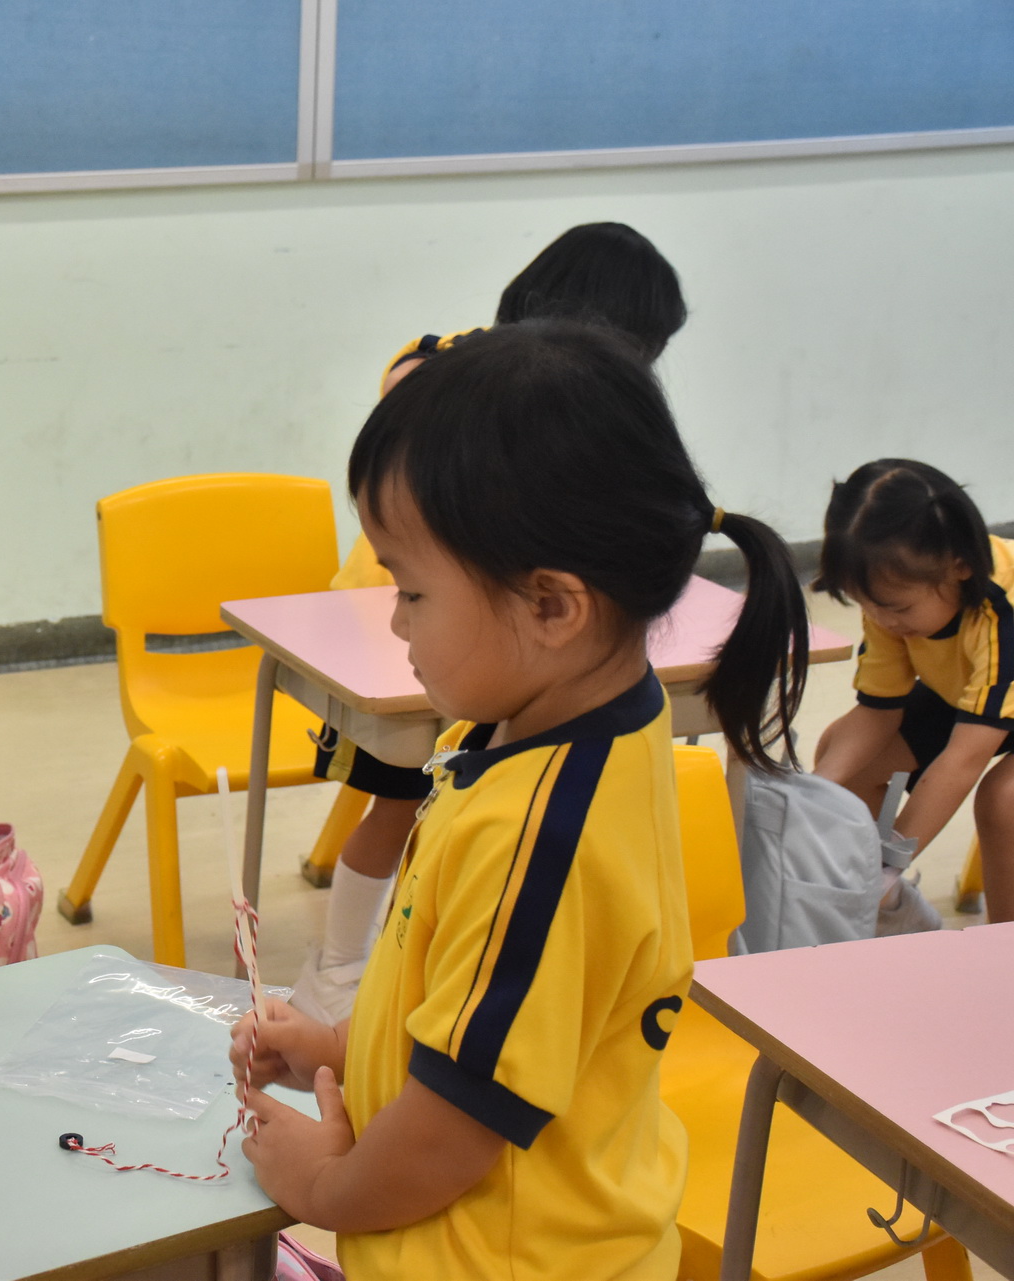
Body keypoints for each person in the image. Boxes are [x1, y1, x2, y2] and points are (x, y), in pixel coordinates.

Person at [233, 322, 809, 1279]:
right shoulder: (535, 729)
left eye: (412, 591)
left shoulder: (540, 838)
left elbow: (450, 1136)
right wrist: (336, 1045)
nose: (394, 620)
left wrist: (322, 1184)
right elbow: (471, 1000)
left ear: (552, 607)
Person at [300, 221, 689, 1022]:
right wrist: (348, 1049)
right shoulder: (443, 370)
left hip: (483, 628)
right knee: (399, 799)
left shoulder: (536, 830)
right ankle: (339, 969)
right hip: (410, 629)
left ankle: (351, 984)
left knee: (417, 804)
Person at [812, 458, 1014, 926]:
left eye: (898, 609)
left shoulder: (1003, 613)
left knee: (1004, 801)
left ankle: (1003, 946)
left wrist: (887, 866)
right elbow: (877, 713)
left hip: (988, 701)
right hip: (973, 695)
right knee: (844, 759)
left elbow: (963, 759)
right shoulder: (889, 599)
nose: (883, 621)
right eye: (867, 606)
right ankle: (878, 912)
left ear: (960, 567)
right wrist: (814, 792)